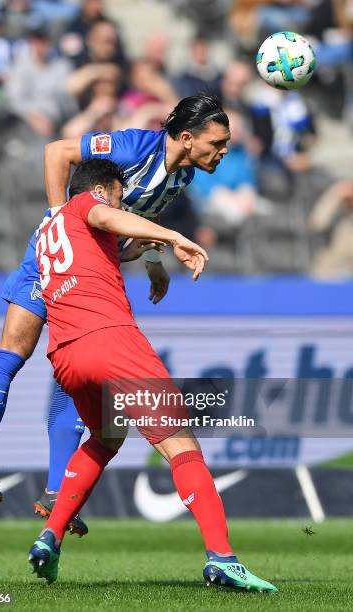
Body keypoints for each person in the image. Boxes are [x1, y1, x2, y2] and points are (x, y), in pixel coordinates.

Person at [0, 94, 231, 524]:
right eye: (217, 143)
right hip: (50, 259)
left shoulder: (180, 180)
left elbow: (134, 217)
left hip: (94, 264)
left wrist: (153, 262)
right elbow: (57, 152)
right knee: (12, 353)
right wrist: (58, 219)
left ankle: (55, 492)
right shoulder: (133, 147)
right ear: (186, 138)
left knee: (77, 373)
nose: (223, 151)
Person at [28, 158, 277, 593]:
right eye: (120, 195)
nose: (120, 204)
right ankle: (223, 559)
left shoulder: (49, 231)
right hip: (111, 340)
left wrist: (132, 254)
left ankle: (49, 537)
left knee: (106, 437)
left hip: (65, 353)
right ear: (104, 190)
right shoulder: (91, 202)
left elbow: (88, 262)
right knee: (181, 441)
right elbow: (104, 213)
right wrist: (174, 235)